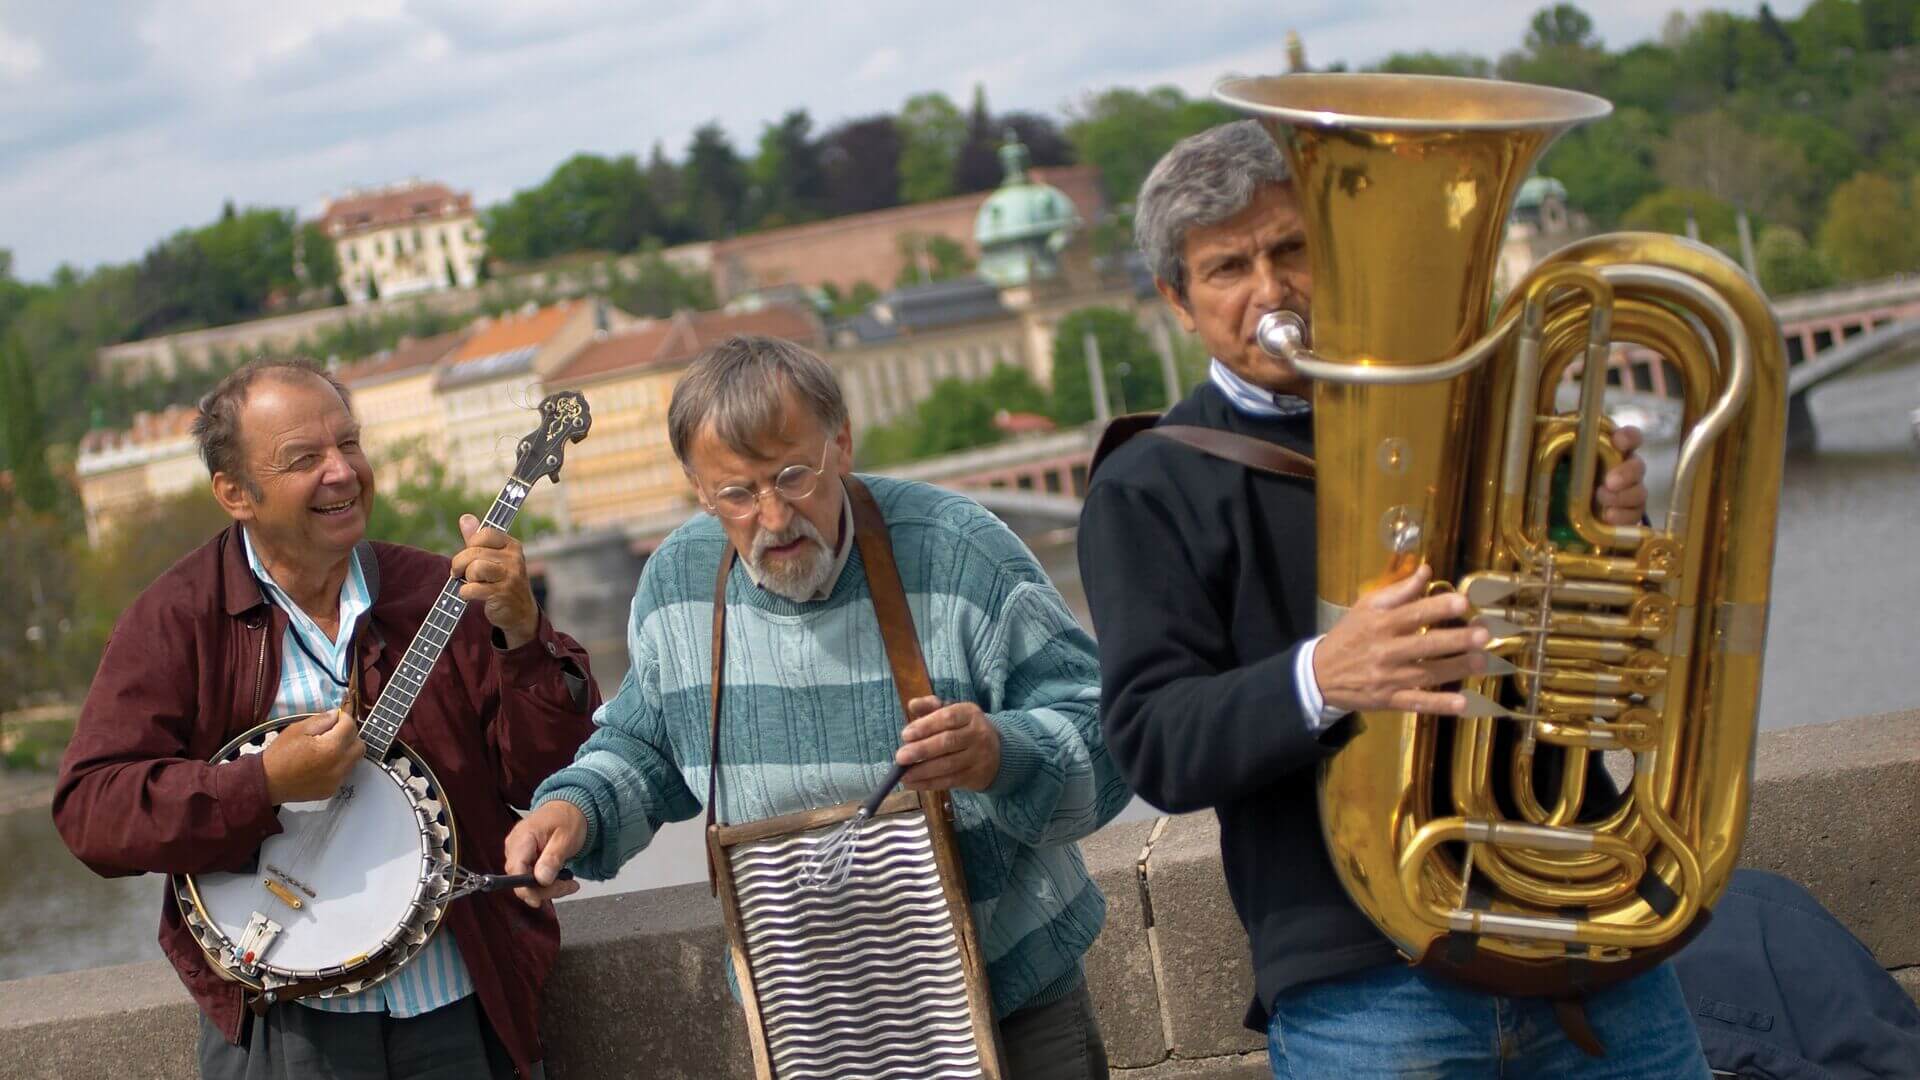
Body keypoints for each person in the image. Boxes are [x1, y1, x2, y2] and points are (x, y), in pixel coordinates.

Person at [1076, 120, 1707, 1079]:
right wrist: (1326, 674)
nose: (1271, 289)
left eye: (1292, 250)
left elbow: (1591, 648)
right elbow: (1155, 741)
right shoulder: (1148, 486)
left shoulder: (1482, 411)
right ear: (1178, 301)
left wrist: (1601, 533)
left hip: (1583, 933)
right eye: (1227, 268)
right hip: (1364, 985)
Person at [504, 335, 1130, 1079]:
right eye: (736, 493)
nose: (772, 516)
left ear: (842, 442)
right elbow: (647, 747)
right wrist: (575, 811)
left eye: (793, 475)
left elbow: (1106, 735)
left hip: (1012, 1006)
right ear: (698, 489)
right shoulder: (678, 582)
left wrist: (1000, 753)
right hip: (813, 1029)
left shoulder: (961, 551)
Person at [53, 358, 600, 1080]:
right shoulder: (179, 619)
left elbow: (548, 774)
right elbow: (93, 811)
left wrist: (523, 640)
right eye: (303, 459)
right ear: (234, 492)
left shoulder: (433, 591)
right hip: (290, 1023)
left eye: (349, 444)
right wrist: (264, 784)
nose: (341, 472)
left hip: (461, 1001)